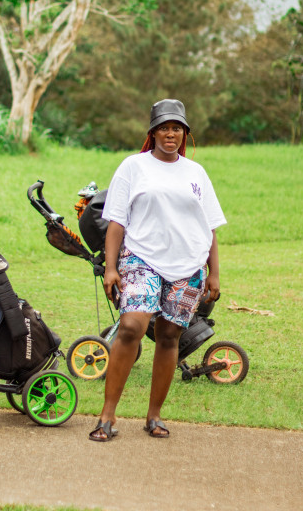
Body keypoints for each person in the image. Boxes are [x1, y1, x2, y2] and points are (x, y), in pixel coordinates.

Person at [88, 99, 227, 441]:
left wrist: (214, 273)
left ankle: (154, 416)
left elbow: (208, 227)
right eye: (164, 127)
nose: (171, 134)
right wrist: (110, 267)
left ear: (185, 133)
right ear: (152, 132)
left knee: (168, 337)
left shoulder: (196, 173)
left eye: (177, 128)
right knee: (131, 326)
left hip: (188, 266)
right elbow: (117, 223)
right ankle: (107, 415)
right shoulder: (133, 167)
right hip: (141, 258)